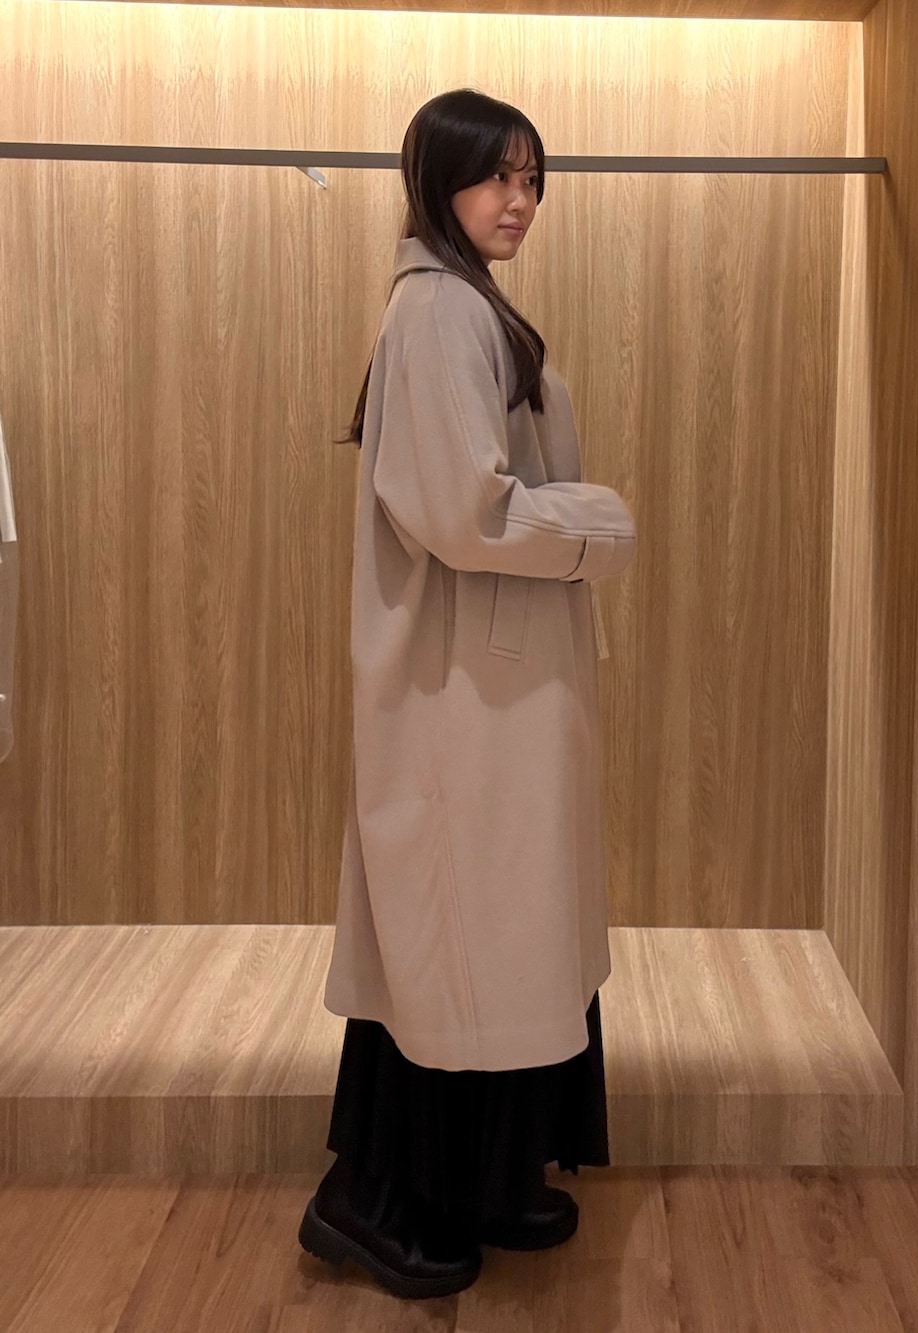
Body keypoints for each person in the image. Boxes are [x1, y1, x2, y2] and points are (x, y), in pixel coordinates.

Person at [298, 87, 637, 1301]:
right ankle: (373, 1199)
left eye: (534, 179)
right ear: (437, 179)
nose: (520, 201)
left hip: (487, 686)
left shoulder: (460, 303)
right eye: (498, 175)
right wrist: (599, 522)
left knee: (482, 940)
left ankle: (481, 1180)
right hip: (465, 696)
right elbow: (462, 510)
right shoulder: (440, 309)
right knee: (455, 940)